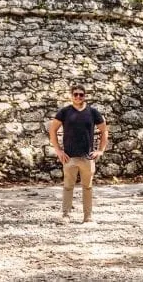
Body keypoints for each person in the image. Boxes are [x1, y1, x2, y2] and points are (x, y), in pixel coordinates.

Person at [48, 84, 108, 224]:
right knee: (68, 187)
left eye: (81, 94)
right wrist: (58, 150)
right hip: (69, 157)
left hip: (87, 157)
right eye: (75, 94)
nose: (78, 97)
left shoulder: (93, 112)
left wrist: (100, 150)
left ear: (85, 96)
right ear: (71, 95)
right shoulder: (64, 112)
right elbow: (52, 130)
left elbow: (104, 130)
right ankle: (65, 215)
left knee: (87, 187)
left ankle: (88, 217)